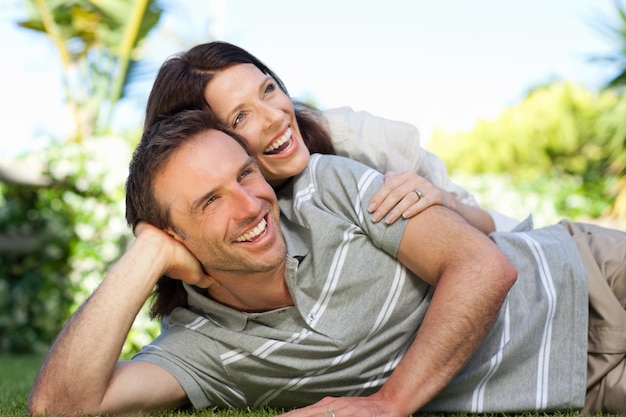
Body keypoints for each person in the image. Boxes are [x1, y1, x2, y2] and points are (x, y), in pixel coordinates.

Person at [28, 109, 626, 415]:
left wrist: (388, 404)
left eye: (244, 175)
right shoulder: (204, 351)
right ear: (173, 236)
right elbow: (61, 407)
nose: (250, 204)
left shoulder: (325, 189)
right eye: (210, 201)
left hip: (585, 269)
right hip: (583, 382)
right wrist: (149, 252)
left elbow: (484, 268)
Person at [143, 41, 520, 233]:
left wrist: (445, 205)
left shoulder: (354, 137)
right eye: (241, 116)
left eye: (268, 90)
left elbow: (500, 230)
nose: (276, 116)